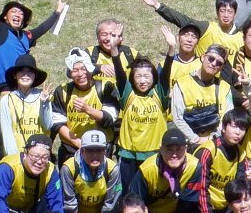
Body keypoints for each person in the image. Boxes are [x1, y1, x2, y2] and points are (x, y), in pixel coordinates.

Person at [170, 43, 251, 149]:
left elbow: (226, 117)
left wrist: (211, 138)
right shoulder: (181, 84)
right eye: (211, 58)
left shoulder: (225, 88)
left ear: (222, 68)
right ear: (203, 57)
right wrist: (195, 139)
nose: (213, 64)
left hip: (215, 142)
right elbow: (177, 118)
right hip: (187, 143)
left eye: (219, 63)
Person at [50, 48, 117, 162]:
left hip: (100, 149)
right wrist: (79, 143)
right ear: (70, 73)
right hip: (71, 149)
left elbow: (109, 119)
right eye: (75, 70)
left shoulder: (106, 87)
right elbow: (57, 123)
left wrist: (87, 109)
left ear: (91, 69)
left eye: (83, 68)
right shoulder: (62, 91)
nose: (80, 74)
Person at [115, 56, 168, 189]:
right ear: (132, 78)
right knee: (128, 194)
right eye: (138, 76)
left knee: (152, 192)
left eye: (147, 76)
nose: (143, 81)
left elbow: (166, 74)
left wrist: (172, 50)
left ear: (153, 77)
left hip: (154, 154)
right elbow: (120, 75)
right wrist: (115, 53)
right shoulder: (128, 95)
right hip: (128, 155)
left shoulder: (159, 95)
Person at [60, 129, 118, 213]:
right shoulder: (69, 168)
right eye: (90, 151)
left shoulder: (112, 169)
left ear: (105, 150)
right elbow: (69, 202)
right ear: (82, 151)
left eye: (99, 150)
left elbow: (111, 202)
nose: (95, 155)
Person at [0, 54, 52, 157]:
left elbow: (48, 125)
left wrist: (44, 103)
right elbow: (7, 132)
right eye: (21, 71)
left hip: (40, 158)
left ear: (35, 75)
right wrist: (14, 158)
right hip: (16, 157)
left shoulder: (43, 95)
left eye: (30, 71)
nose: (25, 75)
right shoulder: (6, 100)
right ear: (15, 75)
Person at [91, 19, 137, 97]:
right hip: (96, 99)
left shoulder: (130, 54)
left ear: (121, 37)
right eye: (104, 34)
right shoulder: (90, 53)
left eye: (113, 35)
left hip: (124, 100)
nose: (109, 39)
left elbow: (150, 74)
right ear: (98, 38)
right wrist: (98, 67)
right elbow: (70, 72)